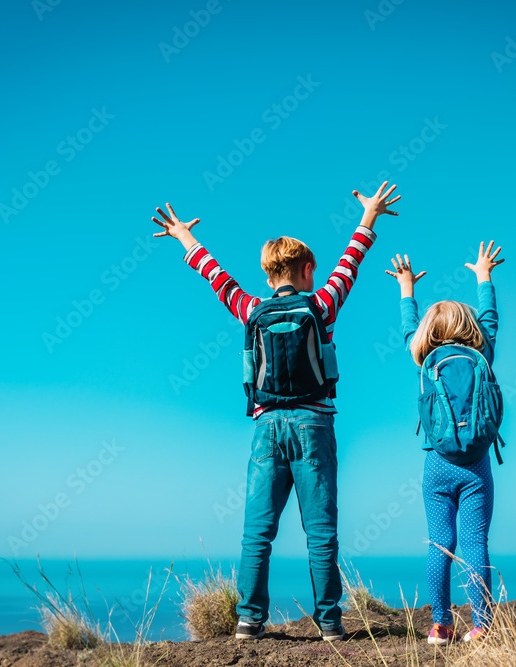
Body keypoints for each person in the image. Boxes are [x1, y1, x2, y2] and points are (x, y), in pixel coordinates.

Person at [151, 183, 401, 641]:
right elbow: (352, 261)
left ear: (268, 276)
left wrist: (184, 237)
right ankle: (329, 624)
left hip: (266, 427)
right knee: (321, 532)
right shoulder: (321, 305)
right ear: (307, 271)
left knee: (257, 531)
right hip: (313, 423)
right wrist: (369, 215)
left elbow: (217, 277)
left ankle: (249, 620)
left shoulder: (252, 310)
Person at [384, 241, 504, 643]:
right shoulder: (482, 351)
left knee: (440, 543)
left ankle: (440, 624)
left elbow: (407, 330)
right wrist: (484, 275)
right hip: (476, 466)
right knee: (474, 543)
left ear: (428, 333)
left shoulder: (425, 357)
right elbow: (490, 318)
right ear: (469, 329)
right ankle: (482, 626)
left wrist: (406, 289)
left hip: (436, 464)